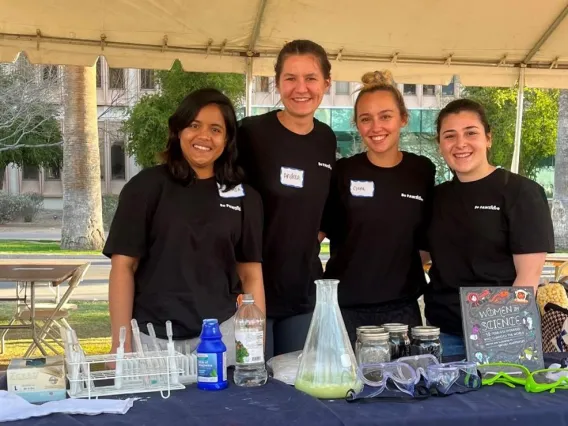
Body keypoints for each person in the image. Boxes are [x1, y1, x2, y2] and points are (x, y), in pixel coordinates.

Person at [104, 88, 265, 365]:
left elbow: (251, 275)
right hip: (152, 338)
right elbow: (123, 267)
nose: (204, 136)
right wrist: (120, 345)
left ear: (226, 140)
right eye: (194, 125)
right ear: (178, 130)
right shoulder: (145, 187)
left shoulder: (244, 198)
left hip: (221, 337)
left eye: (216, 129)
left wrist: (254, 344)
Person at [424, 98, 555, 356]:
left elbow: (527, 280)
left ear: (488, 138)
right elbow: (422, 254)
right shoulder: (436, 197)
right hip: (443, 333)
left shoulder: (521, 193)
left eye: (470, 133)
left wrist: (499, 342)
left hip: (501, 334)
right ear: (440, 145)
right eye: (450, 136)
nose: (460, 144)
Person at [238, 40, 337, 358]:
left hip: (302, 292)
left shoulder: (326, 138)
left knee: (301, 389)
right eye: (290, 78)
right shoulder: (250, 134)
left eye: (311, 78)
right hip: (251, 292)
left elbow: (321, 206)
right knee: (254, 390)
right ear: (277, 82)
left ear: (326, 83)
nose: (301, 88)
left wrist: (309, 236)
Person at [321, 70, 435, 345]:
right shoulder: (343, 172)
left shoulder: (422, 170)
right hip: (345, 309)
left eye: (385, 116)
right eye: (366, 119)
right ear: (357, 125)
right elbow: (318, 231)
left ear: (403, 119)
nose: (376, 127)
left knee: (404, 384)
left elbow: (430, 236)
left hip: (402, 309)